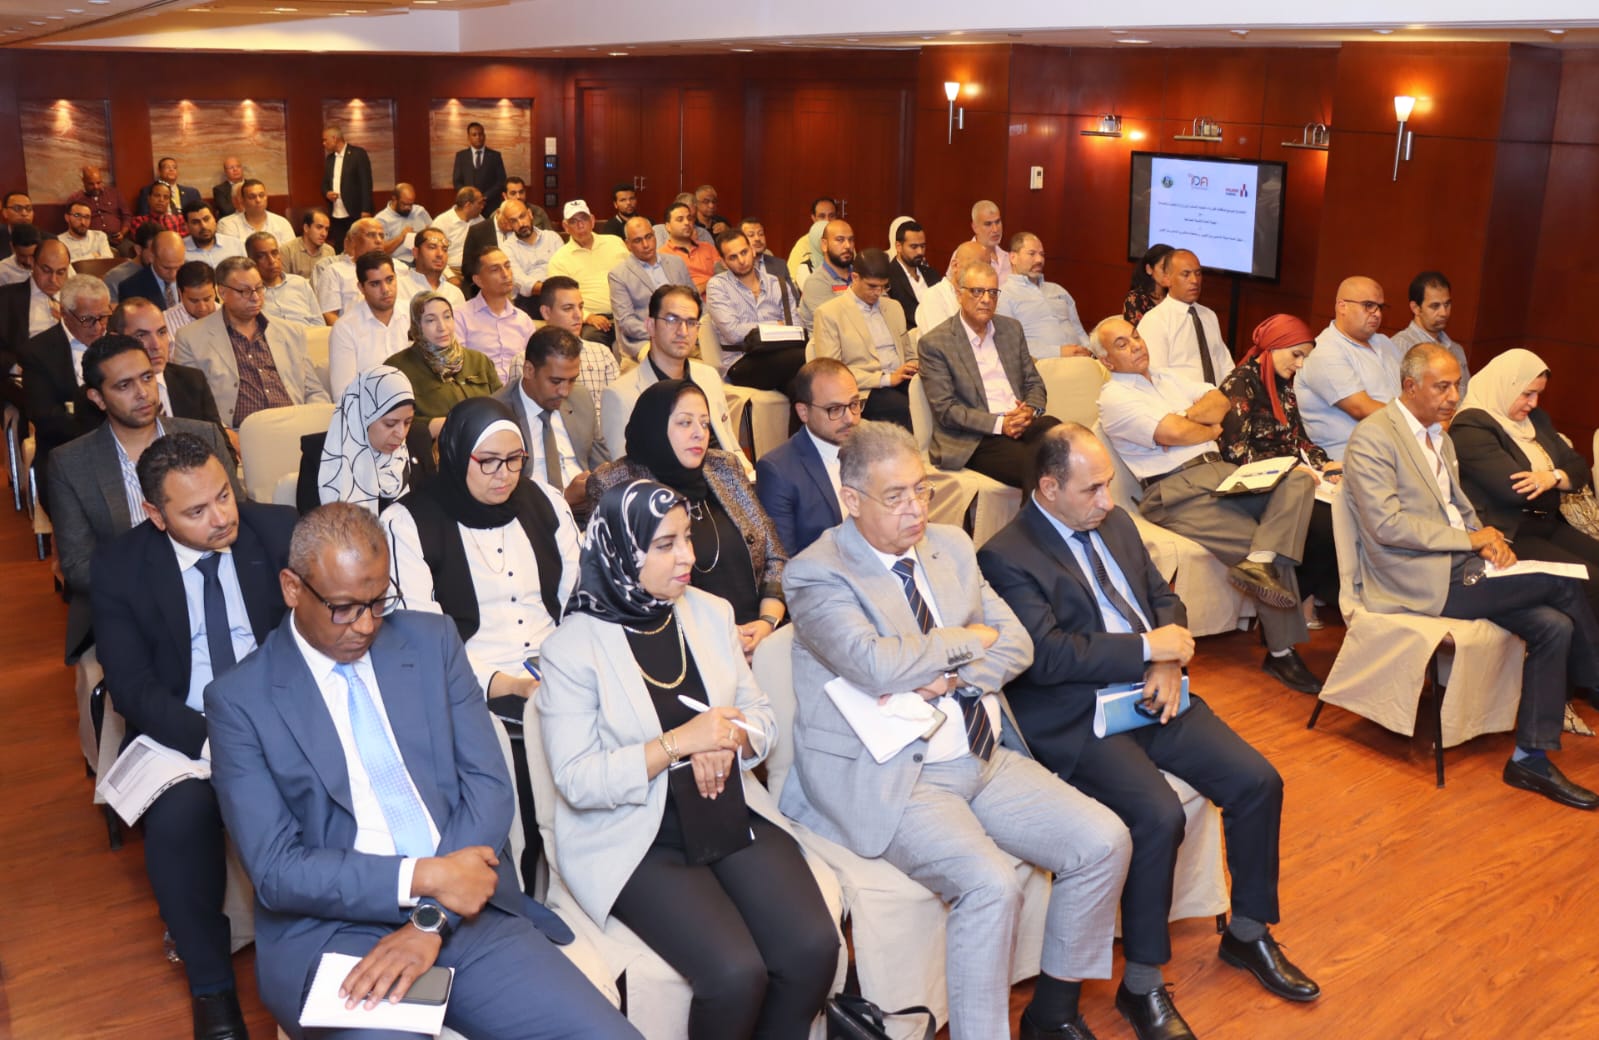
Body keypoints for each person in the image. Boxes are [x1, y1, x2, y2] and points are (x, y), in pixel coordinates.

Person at [204, 502, 640, 1040]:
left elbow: (487, 788)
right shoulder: (240, 701)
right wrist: (423, 877)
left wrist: (430, 917)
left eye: (377, 603)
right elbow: (277, 870)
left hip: (467, 916)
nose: (366, 625)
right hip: (336, 934)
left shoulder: (432, 642)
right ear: (292, 588)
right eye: (344, 608)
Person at [781, 419, 1131, 1040]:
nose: (916, 509)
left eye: (921, 490)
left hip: (983, 752)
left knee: (1105, 841)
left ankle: (1052, 1012)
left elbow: (1017, 644)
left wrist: (942, 677)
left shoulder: (951, 546)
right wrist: (966, 640)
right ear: (852, 500)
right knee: (991, 886)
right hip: (900, 776)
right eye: (896, 497)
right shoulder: (817, 573)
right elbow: (872, 664)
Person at [978, 424, 1321, 1040]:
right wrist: (1147, 649)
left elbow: (1164, 598)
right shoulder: (1006, 554)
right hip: (1078, 715)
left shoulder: (1113, 523)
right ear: (1049, 488)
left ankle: (1247, 932)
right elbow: (1047, 657)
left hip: (1153, 690)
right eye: (1092, 488)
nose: (1107, 499)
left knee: (1257, 782)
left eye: (1108, 484)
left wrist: (1165, 661)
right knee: (1159, 815)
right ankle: (1141, 984)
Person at [538, 478, 839, 1039]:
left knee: (813, 949)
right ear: (623, 549)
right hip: (637, 836)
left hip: (725, 811)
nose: (688, 557)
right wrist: (682, 743)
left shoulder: (709, 612)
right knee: (735, 974)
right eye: (665, 544)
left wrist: (727, 739)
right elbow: (578, 780)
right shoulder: (573, 648)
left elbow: (762, 719)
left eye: (687, 538)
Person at [91, 431, 296, 1040]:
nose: (221, 518)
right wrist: (214, 740)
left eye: (224, 496)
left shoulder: (277, 532)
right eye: (196, 511)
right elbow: (132, 686)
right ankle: (212, 991)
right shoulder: (121, 566)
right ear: (156, 515)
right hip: (185, 728)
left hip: (278, 713)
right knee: (179, 822)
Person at [1343, 344, 1599, 808]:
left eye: (1456, 385)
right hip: (1417, 577)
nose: (1453, 397)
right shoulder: (1374, 437)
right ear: (1410, 386)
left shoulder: (1439, 438)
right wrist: (1470, 540)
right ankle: (1596, 678)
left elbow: (1457, 507)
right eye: (1441, 387)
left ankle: (1529, 759)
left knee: (1555, 625)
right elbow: (1386, 525)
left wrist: (1486, 537)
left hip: (1462, 566)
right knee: (1566, 582)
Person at [1095, 316, 1323, 694]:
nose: (1135, 345)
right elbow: (1172, 432)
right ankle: (1282, 653)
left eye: (1135, 336)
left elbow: (1221, 401)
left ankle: (1260, 561)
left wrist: (1191, 422)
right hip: (1176, 490)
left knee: (1297, 480)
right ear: (1106, 360)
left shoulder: (1169, 378)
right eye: (1122, 344)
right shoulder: (1115, 397)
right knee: (1259, 539)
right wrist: (1198, 425)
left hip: (1222, 473)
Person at [49, 335, 240, 665]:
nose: (142, 393)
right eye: (124, 386)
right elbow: (79, 566)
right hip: (130, 604)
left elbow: (239, 517)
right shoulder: (71, 463)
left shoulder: (203, 435)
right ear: (97, 398)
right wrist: (165, 584)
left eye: (147, 377)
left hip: (215, 584)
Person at [383, 395, 578, 706]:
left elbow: (578, 599)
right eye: (488, 461)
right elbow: (422, 639)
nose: (504, 474)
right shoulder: (408, 523)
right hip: (467, 688)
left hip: (560, 673)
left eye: (514, 458)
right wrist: (512, 686)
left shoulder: (547, 502)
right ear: (456, 455)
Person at [589, 379, 786, 658]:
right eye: (685, 423)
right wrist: (721, 635)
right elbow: (629, 585)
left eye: (705, 424)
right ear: (655, 426)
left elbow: (774, 555)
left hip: (760, 639)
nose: (699, 434)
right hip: (682, 646)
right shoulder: (618, 485)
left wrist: (767, 622)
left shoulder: (724, 468)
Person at [1451, 348, 1599, 618]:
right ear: (1505, 386)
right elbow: (1514, 491)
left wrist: (1551, 477)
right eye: (1527, 393)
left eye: (1538, 394)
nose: (1533, 403)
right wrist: (1559, 481)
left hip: (1547, 523)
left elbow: (1578, 467)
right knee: (1590, 580)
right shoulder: (1470, 426)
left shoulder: (1536, 420)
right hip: (1509, 533)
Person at [1217, 314, 1344, 625]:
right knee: (1325, 527)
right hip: (1261, 483)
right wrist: (1287, 471)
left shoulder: (1283, 385)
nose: (1299, 364)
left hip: (1293, 476)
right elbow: (1235, 453)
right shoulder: (1240, 383)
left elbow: (1298, 438)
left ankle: (1300, 600)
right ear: (1273, 347)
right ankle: (1290, 605)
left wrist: (1324, 463)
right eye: (1296, 354)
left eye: (1304, 358)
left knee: (1347, 512)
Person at [916, 261, 1058, 489]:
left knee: (1063, 439)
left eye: (992, 292)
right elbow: (947, 411)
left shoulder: (1011, 329)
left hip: (1020, 423)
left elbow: (1034, 382)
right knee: (1036, 465)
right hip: (976, 436)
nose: (986, 299)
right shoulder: (935, 343)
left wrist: (1030, 410)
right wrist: (1001, 424)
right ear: (959, 294)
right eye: (977, 291)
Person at [602, 284, 748, 480]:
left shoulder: (708, 376)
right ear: (650, 325)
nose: (683, 331)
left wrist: (746, 472)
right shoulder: (620, 394)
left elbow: (730, 443)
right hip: (667, 491)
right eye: (672, 320)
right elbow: (624, 474)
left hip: (726, 482)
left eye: (691, 322)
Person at [173, 256, 329, 429]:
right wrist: (225, 435)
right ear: (222, 293)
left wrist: (314, 426)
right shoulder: (190, 338)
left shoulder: (291, 332)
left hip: (295, 426)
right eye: (245, 291)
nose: (255, 297)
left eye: (259, 288)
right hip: (237, 433)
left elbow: (314, 391)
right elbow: (192, 405)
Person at [494, 325, 609, 512]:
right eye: (556, 381)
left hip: (590, 512)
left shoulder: (580, 398)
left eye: (572, 380)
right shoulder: (498, 413)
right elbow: (498, 496)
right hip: (532, 516)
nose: (565, 391)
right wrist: (564, 498)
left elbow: (602, 465)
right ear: (529, 370)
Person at [755, 358, 860, 555]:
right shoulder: (778, 471)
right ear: (803, 412)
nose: (850, 418)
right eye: (835, 409)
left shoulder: (872, 448)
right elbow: (782, 561)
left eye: (854, 404)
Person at [299, 364, 435, 514]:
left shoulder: (417, 439)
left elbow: (434, 508)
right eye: (390, 424)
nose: (401, 433)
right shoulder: (322, 455)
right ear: (362, 418)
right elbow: (312, 523)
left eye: (408, 422)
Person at [1297, 275, 1405, 461]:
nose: (1377, 314)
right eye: (1368, 305)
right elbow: (1360, 408)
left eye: (1380, 307)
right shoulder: (1324, 350)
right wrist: (1416, 421)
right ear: (1342, 306)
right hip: (1348, 460)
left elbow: (1411, 389)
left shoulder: (1385, 343)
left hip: (1392, 450)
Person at [809, 247, 915, 429]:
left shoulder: (894, 307)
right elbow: (832, 373)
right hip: (865, 389)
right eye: (872, 286)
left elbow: (909, 354)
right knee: (904, 409)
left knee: (937, 397)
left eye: (884, 286)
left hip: (902, 379)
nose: (878, 292)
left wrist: (914, 366)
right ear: (855, 277)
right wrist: (887, 379)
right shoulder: (829, 313)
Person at [384, 290, 502, 431]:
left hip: (486, 438)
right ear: (417, 325)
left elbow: (503, 405)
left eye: (447, 317)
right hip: (433, 442)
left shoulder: (479, 361)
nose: (442, 327)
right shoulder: (397, 368)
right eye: (430, 320)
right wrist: (435, 425)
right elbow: (392, 423)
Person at [704, 228, 805, 392]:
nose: (741, 260)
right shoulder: (717, 286)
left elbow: (797, 328)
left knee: (799, 386)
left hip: (781, 353)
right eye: (733, 257)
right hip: (740, 361)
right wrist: (776, 325)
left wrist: (759, 331)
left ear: (752, 250)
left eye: (744, 252)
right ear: (723, 263)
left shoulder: (777, 284)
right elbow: (733, 333)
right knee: (804, 358)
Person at [108, 297, 225, 427]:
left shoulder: (192, 381)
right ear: (117, 340)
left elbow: (217, 437)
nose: (156, 345)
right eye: (141, 335)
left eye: (161, 332)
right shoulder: (108, 395)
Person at [1135, 249, 1233, 385]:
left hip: (1218, 395)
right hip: (1180, 397)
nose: (1195, 280)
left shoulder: (1209, 315)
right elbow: (1156, 376)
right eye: (1186, 274)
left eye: (1198, 273)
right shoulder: (1156, 320)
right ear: (1167, 279)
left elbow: (1225, 364)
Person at [546, 199, 629, 346]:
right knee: (590, 341)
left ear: (592, 220)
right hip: (592, 320)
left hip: (626, 313)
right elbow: (561, 300)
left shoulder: (615, 242)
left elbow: (633, 276)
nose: (580, 225)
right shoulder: (559, 259)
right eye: (573, 221)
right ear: (565, 226)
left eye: (584, 219)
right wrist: (588, 317)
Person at [329, 250, 411, 397]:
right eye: (375, 284)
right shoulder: (345, 328)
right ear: (361, 288)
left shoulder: (414, 314)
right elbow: (343, 394)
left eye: (390, 280)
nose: (385, 290)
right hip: (372, 407)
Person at [609, 214, 692, 361]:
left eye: (649, 237)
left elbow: (696, 301)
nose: (646, 245)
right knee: (668, 364)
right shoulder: (619, 275)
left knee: (710, 366)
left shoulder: (676, 263)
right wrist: (663, 332)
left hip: (686, 334)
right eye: (638, 240)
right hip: (646, 340)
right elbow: (626, 322)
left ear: (655, 236)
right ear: (628, 245)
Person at [998, 233, 1092, 358]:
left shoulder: (1058, 290)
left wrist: (1090, 351)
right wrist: (1059, 352)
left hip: (1082, 359)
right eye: (1032, 254)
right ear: (1013, 258)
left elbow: (1078, 330)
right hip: (1043, 363)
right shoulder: (1004, 295)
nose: (1039, 260)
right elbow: (1010, 344)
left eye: (1042, 254)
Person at [538, 275, 619, 416]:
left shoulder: (602, 353)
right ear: (546, 312)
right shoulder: (527, 360)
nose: (578, 315)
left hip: (600, 427)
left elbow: (616, 408)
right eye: (568, 308)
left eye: (580, 307)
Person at [456, 246, 535, 382]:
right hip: (480, 389)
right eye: (495, 269)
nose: (505, 274)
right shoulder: (460, 316)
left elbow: (535, 364)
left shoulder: (523, 320)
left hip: (517, 389)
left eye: (507, 266)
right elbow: (457, 366)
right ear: (478, 280)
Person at [1391, 270, 1471, 394]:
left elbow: (1467, 396)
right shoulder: (1400, 346)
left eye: (1447, 304)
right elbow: (1398, 398)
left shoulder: (1456, 350)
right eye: (1435, 306)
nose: (1444, 313)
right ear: (1415, 308)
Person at [245, 231, 325, 328]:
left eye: (274, 253)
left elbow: (319, 322)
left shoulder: (300, 282)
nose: (271, 261)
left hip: (309, 334)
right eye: (262, 256)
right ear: (250, 260)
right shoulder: (249, 294)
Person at [915, 240, 991, 333]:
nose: (983, 274)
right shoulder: (933, 296)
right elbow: (940, 340)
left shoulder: (987, 298)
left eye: (988, 267)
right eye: (977, 267)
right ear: (955, 265)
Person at [320, 123, 374, 251]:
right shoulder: (330, 159)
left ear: (334, 138)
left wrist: (366, 210)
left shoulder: (358, 154)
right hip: (336, 212)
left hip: (355, 212)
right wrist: (327, 193)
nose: (324, 143)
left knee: (358, 247)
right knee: (340, 247)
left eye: (325, 140)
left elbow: (366, 183)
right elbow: (325, 183)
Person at [796, 219, 855, 331]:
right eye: (840, 240)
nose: (848, 245)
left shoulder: (862, 275)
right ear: (824, 245)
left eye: (851, 240)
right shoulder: (816, 282)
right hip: (829, 340)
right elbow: (834, 324)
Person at [66, 165, 135, 252]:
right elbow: (72, 223)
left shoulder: (114, 194)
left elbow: (127, 216)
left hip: (118, 239)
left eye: (98, 183)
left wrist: (122, 233)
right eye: (91, 184)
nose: (96, 187)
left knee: (133, 252)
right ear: (83, 181)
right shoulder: (76, 199)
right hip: (91, 242)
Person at [887, 219, 937, 328]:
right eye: (914, 247)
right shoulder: (888, 277)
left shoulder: (932, 274)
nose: (920, 252)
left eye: (922, 246)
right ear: (898, 246)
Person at [660, 200, 718, 293]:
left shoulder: (708, 247)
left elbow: (724, 275)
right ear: (668, 227)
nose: (687, 222)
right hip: (686, 299)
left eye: (689, 218)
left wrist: (705, 286)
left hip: (718, 295)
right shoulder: (662, 255)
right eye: (680, 219)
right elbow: (672, 291)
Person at [216, 179, 295, 247]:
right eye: (252, 197)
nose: (258, 200)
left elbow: (290, 254)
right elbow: (230, 255)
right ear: (242, 201)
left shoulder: (282, 223)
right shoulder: (227, 224)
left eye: (261, 195)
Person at [452, 121, 508, 215]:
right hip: (468, 206)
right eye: (474, 135)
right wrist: (469, 197)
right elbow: (457, 181)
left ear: (484, 136)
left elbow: (501, 181)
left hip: (490, 205)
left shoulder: (495, 156)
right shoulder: (461, 156)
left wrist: (484, 197)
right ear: (468, 137)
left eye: (480, 134)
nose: (478, 137)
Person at [375, 182, 432, 263]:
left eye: (411, 204)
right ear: (394, 199)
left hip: (423, 259)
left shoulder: (420, 211)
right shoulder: (381, 220)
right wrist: (401, 237)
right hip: (399, 262)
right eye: (404, 204)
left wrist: (429, 234)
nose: (408, 208)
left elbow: (435, 234)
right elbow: (380, 252)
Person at [786, 196, 836, 285]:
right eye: (822, 216)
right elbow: (791, 280)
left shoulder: (844, 242)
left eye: (831, 216)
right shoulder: (803, 244)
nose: (827, 220)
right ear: (813, 218)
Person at [1122, 243, 1174, 327]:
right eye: (1163, 267)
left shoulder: (1176, 297)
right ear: (1149, 269)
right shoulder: (1135, 298)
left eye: (1171, 268)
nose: (1168, 272)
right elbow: (1135, 332)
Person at [181, 202, 245, 268]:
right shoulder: (180, 251)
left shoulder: (235, 245)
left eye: (206, 219)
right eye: (195, 222)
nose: (203, 226)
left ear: (215, 219)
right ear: (186, 226)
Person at [163, 260, 217, 338]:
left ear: (215, 291)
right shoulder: (164, 322)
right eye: (194, 301)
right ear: (180, 294)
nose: (202, 308)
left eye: (207, 299)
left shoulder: (229, 316)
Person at [136, 157, 201, 216]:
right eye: (167, 167)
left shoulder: (192, 193)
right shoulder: (147, 191)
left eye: (174, 167)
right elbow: (144, 215)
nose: (171, 170)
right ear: (159, 171)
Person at [283, 208, 334, 280]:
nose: (324, 234)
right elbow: (283, 283)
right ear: (306, 228)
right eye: (319, 227)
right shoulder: (287, 250)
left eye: (326, 229)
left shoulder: (329, 251)